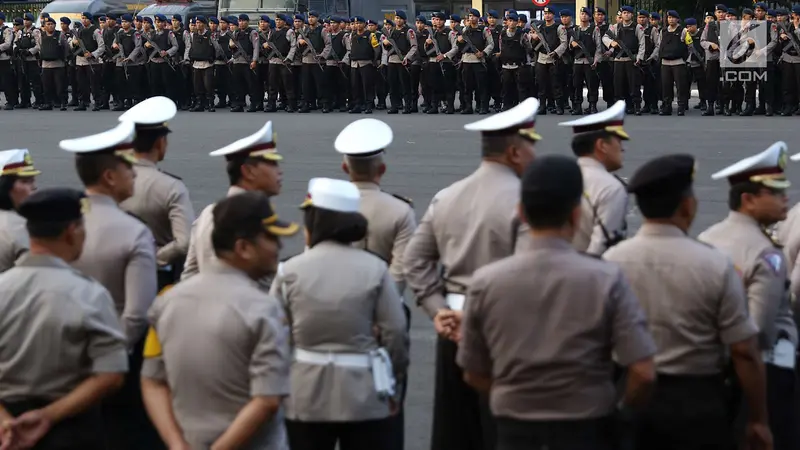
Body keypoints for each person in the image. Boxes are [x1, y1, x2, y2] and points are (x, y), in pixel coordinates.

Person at [456, 154, 656, 450]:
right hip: (585, 424)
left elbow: (473, 371)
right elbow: (643, 371)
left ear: (521, 213)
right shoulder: (606, 278)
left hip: (516, 425)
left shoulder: (486, 282)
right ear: (576, 215)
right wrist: (620, 412)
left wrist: (512, 395)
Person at [604, 154, 771, 450]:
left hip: (629, 389)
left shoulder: (610, 262)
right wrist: (758, 418)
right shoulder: (714, 264)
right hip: (697, 397)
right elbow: (744, 349)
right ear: (686, 205)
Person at [404, 98, 539, 450]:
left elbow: (415, 260)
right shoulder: (525, 200)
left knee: (455, 427)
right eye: (531, 145)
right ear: (513, 151)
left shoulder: (446, 196)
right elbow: (527, 272)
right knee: (505, 430)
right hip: (504, 328)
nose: (534, 155)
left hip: (451, 325)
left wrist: (438, 310)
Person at [141, 192, 297, 449]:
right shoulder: (264, 310)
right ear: (243, 248)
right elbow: (267, 399)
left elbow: (152, 381)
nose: (278, 248)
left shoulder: (167, 302)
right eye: (271, 238)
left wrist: (176, 443)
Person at [272, 177, 408, 450]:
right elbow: (395, 331)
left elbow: (273, 335)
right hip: (363, 395)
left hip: (304, 395)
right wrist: (394, 381)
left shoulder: (289, 271)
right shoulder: (376, 270)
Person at [58, 120, 161, 450]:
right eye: (127, 167)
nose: (134, 174)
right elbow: (137, 313)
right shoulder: (133, 232)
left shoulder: (62, 226)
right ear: (109, 176)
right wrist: (111, 358)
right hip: (120, 358)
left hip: (67, 353)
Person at [0, 188, 128, 450]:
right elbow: (111, 375)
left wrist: (4, 420)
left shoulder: (3, 288)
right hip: (70, 430)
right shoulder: (90, 294)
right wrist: (48, 416)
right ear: (72, 231)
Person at [699, 142, 797, 450]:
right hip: (765, 370)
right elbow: (757, 332)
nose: (786, 199)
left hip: (714, 364)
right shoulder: (766, 254)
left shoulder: (707, 237)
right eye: (776, 192)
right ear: (748, 199)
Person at [182, 121, 293, 288]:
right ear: (248, 171)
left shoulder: (207, 214)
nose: (279, 171)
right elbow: (266, 286)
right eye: (272, 164)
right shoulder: (253, 218)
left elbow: (190, 274)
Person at [118, 96, 195, 292]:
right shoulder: (171, 186)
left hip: (117, 273)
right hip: (158, 278)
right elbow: (184, 242)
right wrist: (154, 257)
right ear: (161, 143)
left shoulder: (112, 182)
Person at [335, 118, 416, 292]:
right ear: (382, 169)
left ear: (345, 168)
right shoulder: (400, 210)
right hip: (384, 302)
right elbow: (400, 272)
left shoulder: (328, 209)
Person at [560, 100, 629, 254]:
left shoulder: (559, 178)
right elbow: (603, 245)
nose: (622, 148)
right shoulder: (610, 187)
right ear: (602, 146)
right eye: (618, 141)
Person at [0, 149, 39, 272]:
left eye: (32, 180)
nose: (33, 187)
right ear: (4, 187)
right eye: (25, 181)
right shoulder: (18, 227)